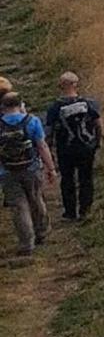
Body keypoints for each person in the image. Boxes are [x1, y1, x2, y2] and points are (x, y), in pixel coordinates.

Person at [47, 72, 99, 223]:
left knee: (67, 179)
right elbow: (98, 122)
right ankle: (85, 210)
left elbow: (49, 131)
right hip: (86, 147)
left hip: (66, 149)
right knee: (86, 178)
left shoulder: (55, 107)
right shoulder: (88, 103)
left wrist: (49, 149)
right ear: (76, 84)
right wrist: (97, 140)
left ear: (60, 86)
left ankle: (70, 212)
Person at [0, 90, 44, 255]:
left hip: (7, 171)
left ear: (3, 107)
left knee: (19, 207)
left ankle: (27, 243)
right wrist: (51, 168)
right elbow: (42, 146)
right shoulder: (32, 121)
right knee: (36, 200)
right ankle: (41, 231)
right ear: (20, 104)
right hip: (31, 168)